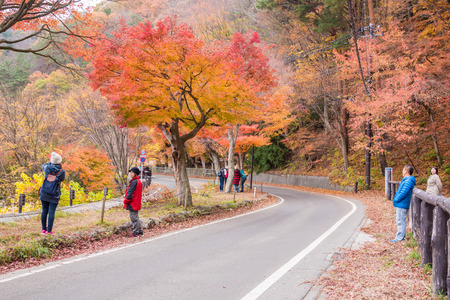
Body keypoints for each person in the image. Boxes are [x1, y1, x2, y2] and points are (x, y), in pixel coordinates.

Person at [39, 152, 66, 236]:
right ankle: (49, 231)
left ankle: (43, 229)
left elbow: (42, 165)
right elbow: (61, 180)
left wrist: (50, 162)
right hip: (54, 193)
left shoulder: (47, 168)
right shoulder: (61, 171)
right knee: (51, 212)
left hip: (44, 192)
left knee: (44, 211)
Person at [391, 164, 416, 243]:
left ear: (405, 171)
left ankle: (400, 237)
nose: (402, 171)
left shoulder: (408, 180)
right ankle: (400, 236)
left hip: (402, 203)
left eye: (403, 170)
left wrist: (396, 199)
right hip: (402, 203)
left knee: (400, 220)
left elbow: (403, 192)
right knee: (401, 220)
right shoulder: (407, 180)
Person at [124, 167, 143, 237]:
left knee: (133, 218)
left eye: (132, 172)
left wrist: (126, 200)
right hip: (136, 202)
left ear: (135, 174)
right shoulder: (138, 181)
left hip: (132, 203)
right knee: (136, 217)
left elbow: (130, 193)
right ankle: (140, 231)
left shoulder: (134, 182)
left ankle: (135, 232)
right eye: (130, 172)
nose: (130, 174)